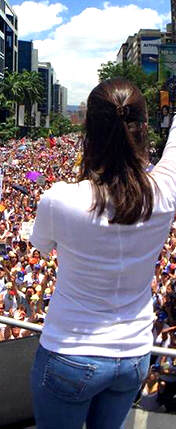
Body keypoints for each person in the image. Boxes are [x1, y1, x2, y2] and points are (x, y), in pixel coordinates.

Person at [29, 79, 176, 428]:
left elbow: (40, 245)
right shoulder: (166, 192)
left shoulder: (60, 199)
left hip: (69, 355)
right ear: (142, 130)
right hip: (134, 357)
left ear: (88, 134)